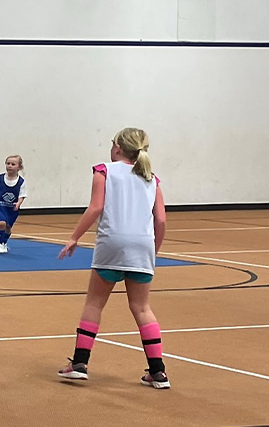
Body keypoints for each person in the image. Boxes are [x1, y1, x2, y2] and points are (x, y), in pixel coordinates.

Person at [57, 128, 170, 389]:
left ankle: (80, 363)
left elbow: (96, 207)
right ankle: (158, 372)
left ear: (118, 147)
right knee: (142, 308)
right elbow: (161, 220)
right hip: (142, 246)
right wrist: (154, 250)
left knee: (95, 304)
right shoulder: (152, 179)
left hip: (112, 244)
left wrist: (74, 237)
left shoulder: (103, 171)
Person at [0, 155, 27, 254]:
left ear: (19, 167)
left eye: (13, 164)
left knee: (8, 227)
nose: (10, 166)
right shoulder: (0, 178)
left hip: (12, 208)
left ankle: (4, 243)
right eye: (8, 164)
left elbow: (22, 195)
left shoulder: (21, 182)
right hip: (1, 205)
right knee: (2, 223)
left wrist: (18, 204)